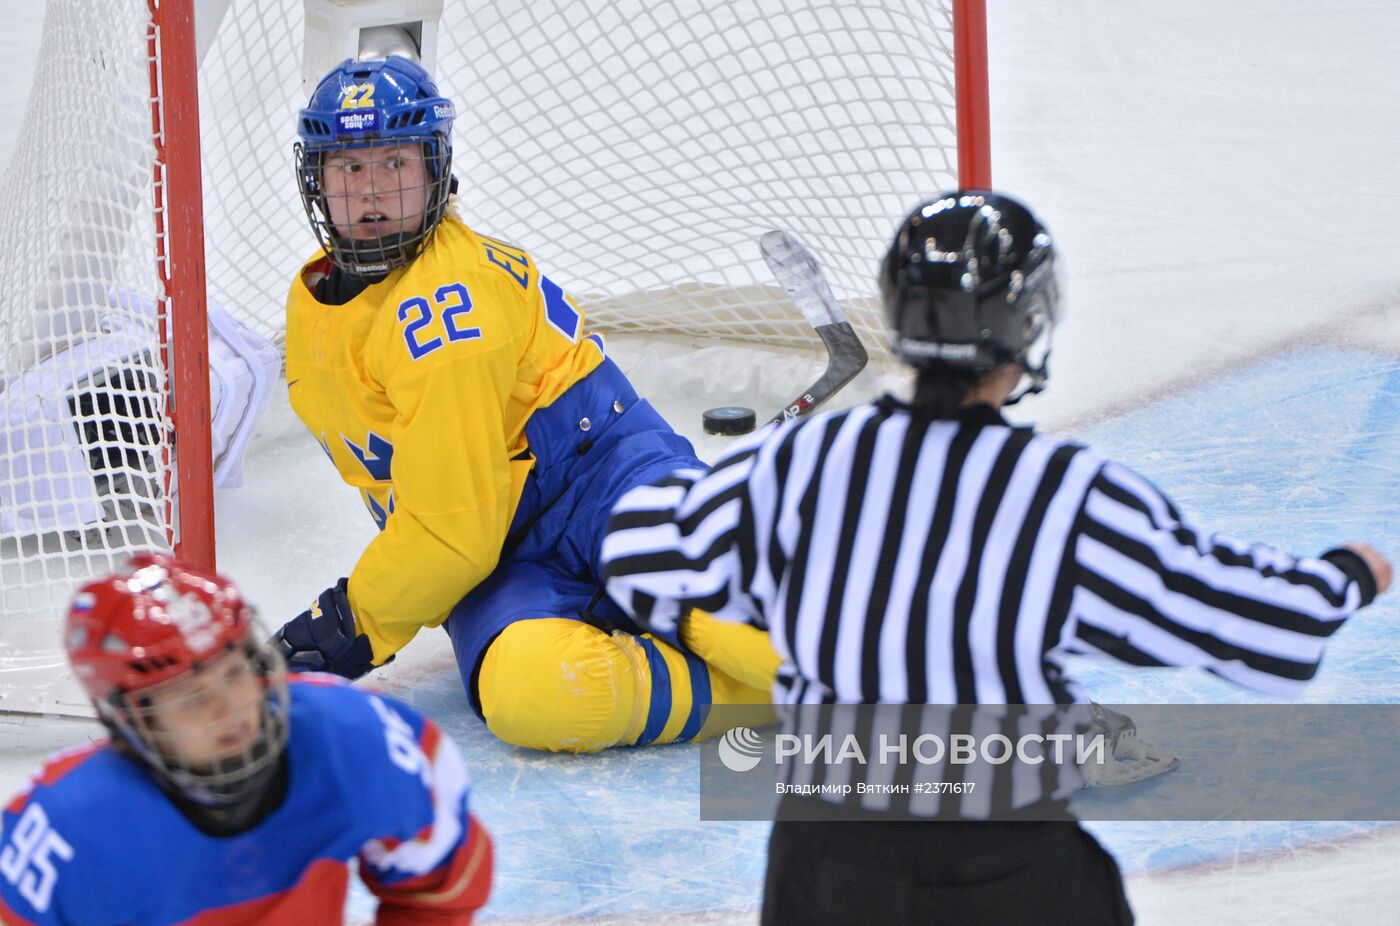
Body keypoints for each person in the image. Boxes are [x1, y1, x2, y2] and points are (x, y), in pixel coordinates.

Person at [599, 190, 1393, 925]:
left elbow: (638, 551)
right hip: (1005, 867)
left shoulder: (802, 461)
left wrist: (778, 589)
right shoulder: (1064, 493)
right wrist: (1343, 578)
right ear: (1028, 327)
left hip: (829, 864)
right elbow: (1259, 627)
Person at [270, 55, 777, 753]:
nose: (372, 191)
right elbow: (442, 522)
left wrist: (351, 622)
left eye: (395, 164)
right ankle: (762, 695)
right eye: (349, 168)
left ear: (435, 171)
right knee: (533, 694)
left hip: (601, 477)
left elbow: (453, 533)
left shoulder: (447, 305)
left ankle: (876, 673)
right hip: (501, 560)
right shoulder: (313, 307)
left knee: (735, 621)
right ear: (316, 180)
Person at [0, 552, 493, 925]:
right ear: (131, 720)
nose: (229, 709)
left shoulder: (349, 736)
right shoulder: (65, 830)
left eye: (235, 674)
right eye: (190, 699)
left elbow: (442, 882)